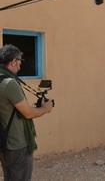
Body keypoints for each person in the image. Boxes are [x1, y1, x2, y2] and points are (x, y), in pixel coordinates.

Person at [0, 44, 54, 180]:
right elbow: (28, 113)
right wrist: (45, 108)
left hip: (4, 141)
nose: (20, 66)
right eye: (20, 62)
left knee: (9, 176)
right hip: (17, 144)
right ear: (13, 61)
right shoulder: (9, 83)